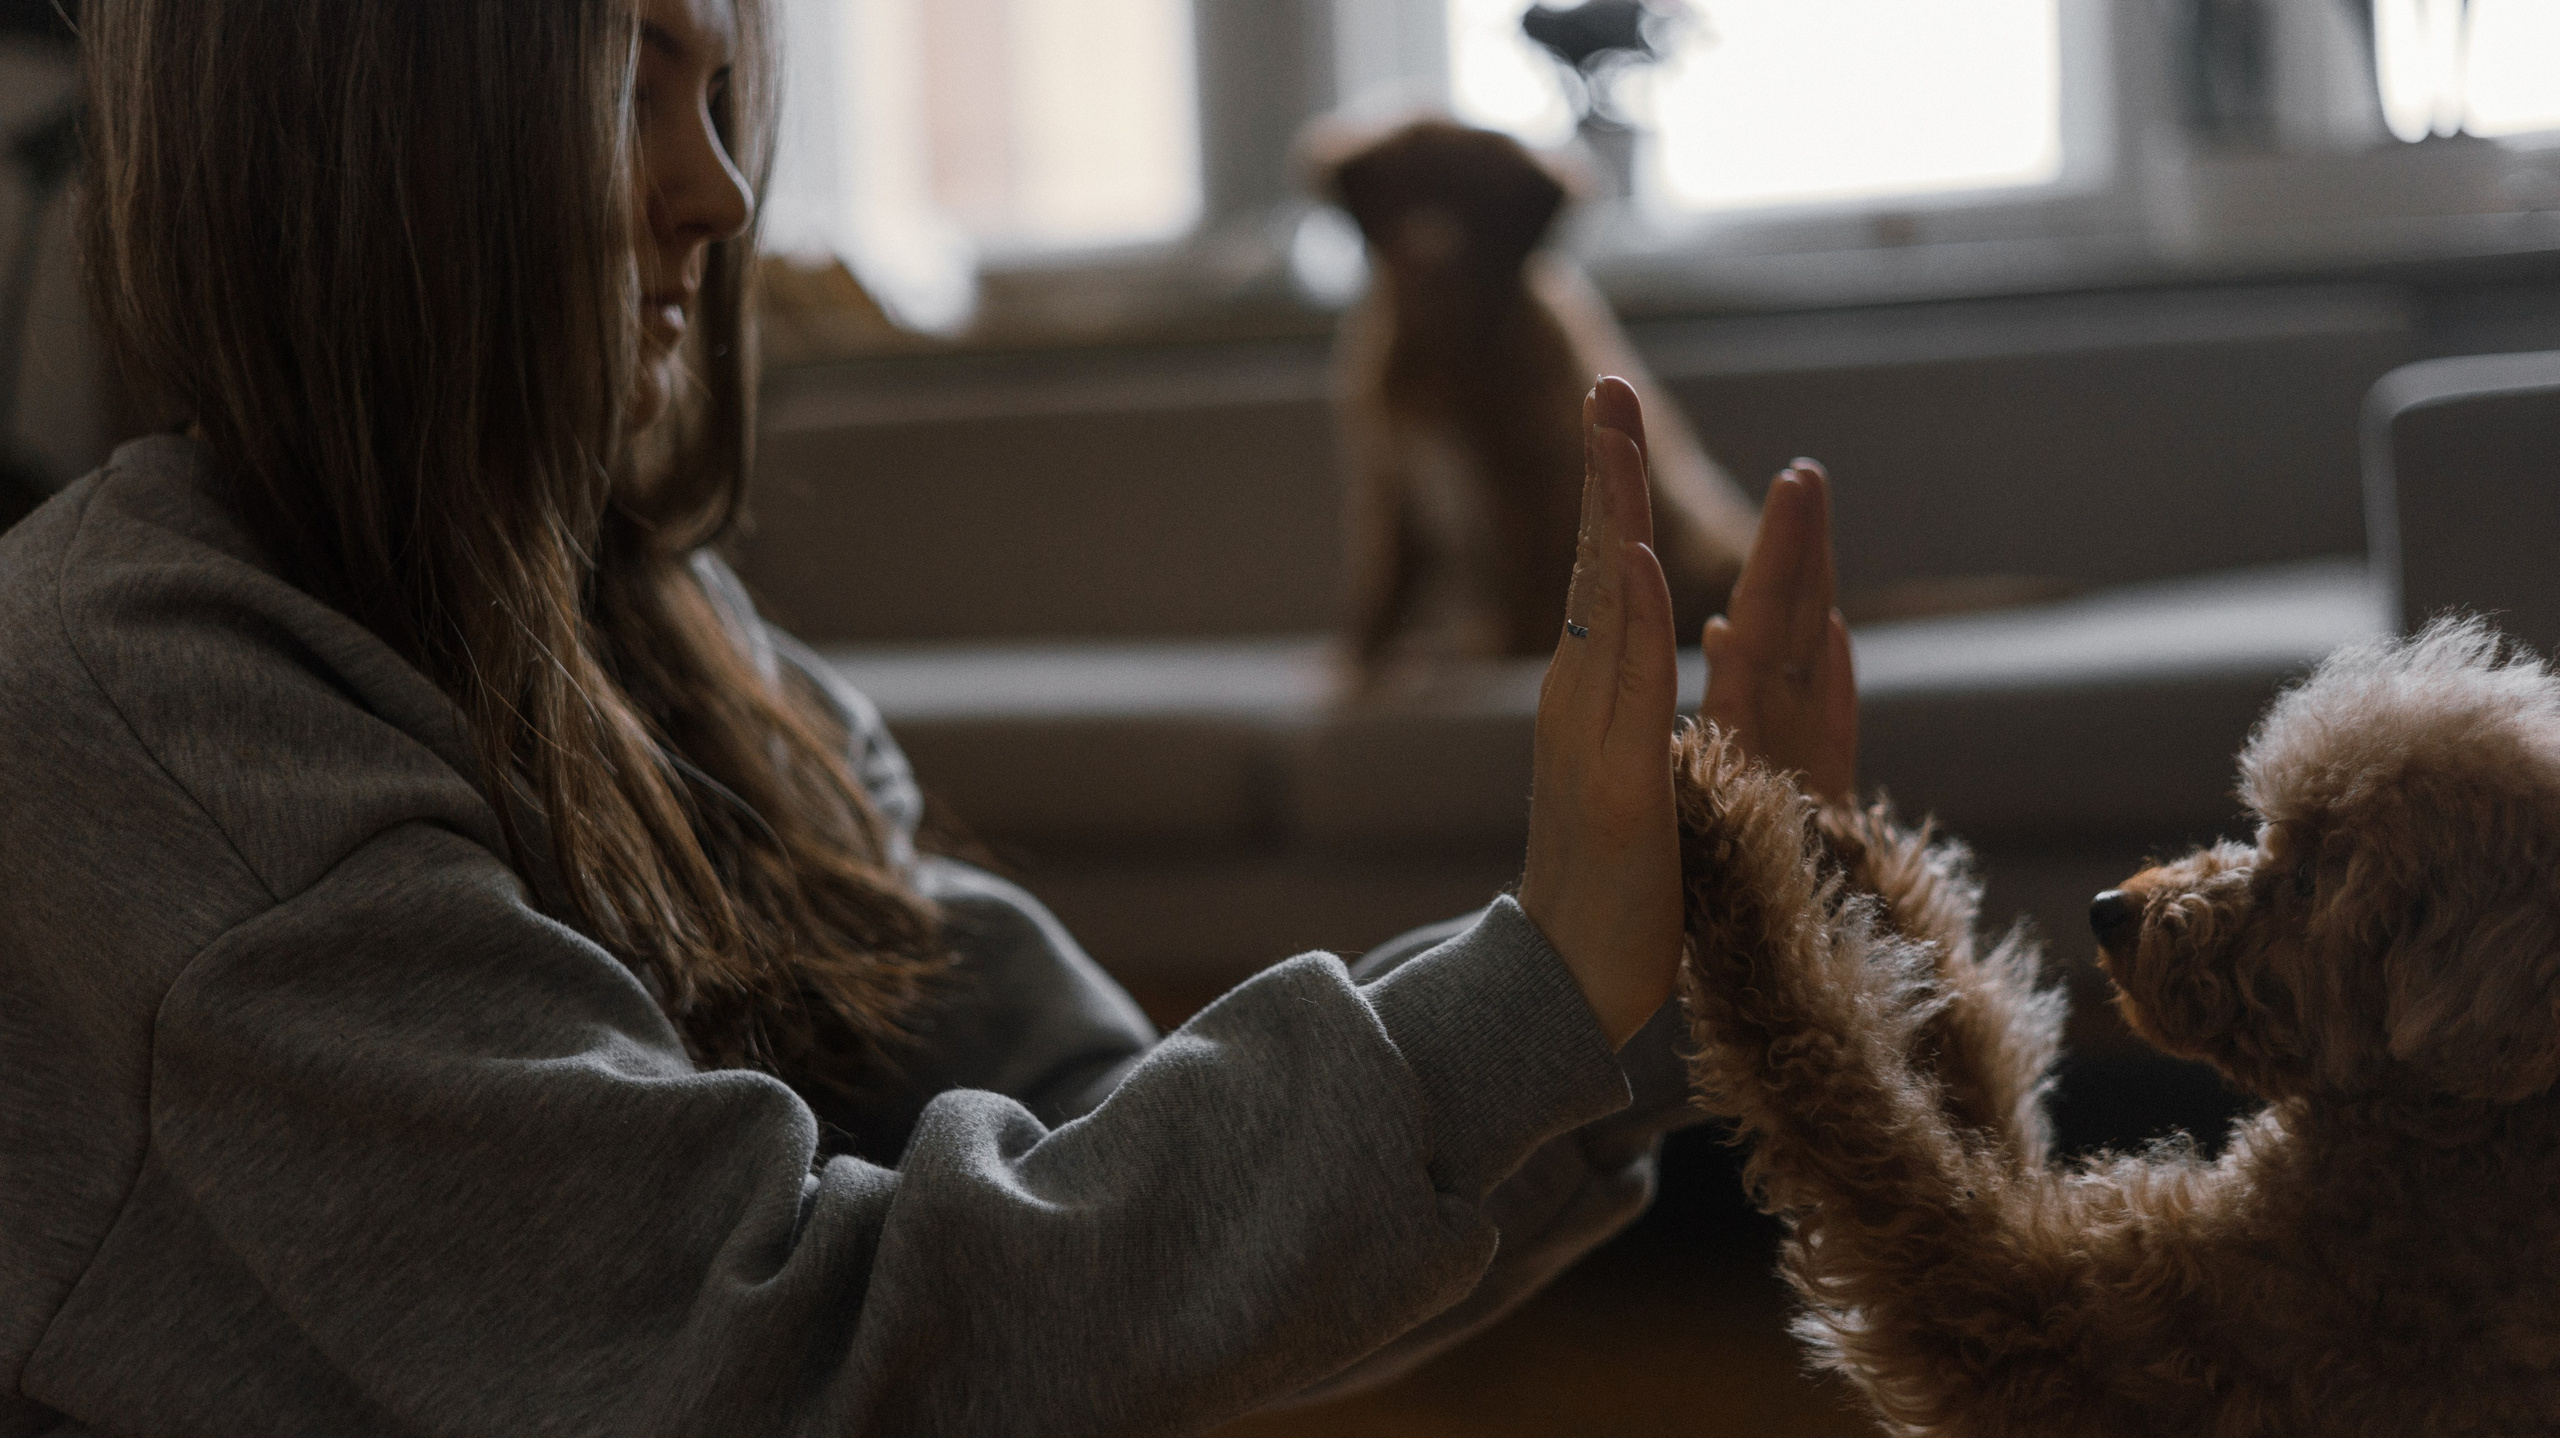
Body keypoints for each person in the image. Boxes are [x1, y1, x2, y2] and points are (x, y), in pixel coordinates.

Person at [0, 0, 1856, 1432]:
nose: (721, 191)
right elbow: (784, 1348)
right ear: (353, 124)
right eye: (630, 82)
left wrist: (1647, 962)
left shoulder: (673, 637)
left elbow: (1094, 1158)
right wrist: (1539, 987)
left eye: (723, 92)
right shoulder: (148, 721)